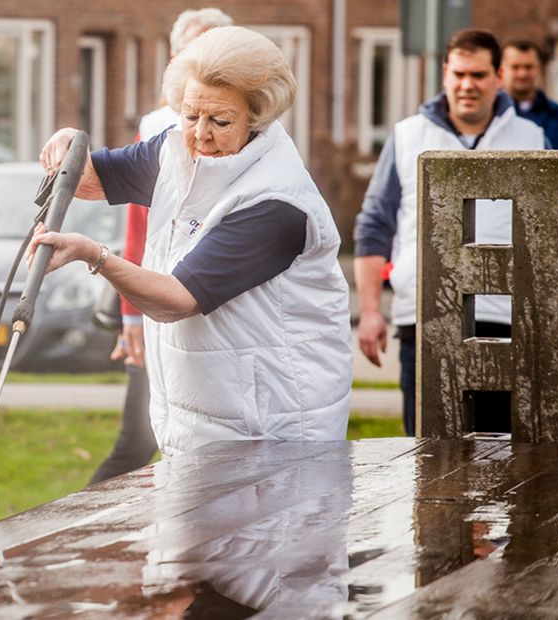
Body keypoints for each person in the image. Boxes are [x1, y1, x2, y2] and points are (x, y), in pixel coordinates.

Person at [36, 26, 352, 455]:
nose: (201, 134)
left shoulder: (276, 204)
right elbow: (92, 178)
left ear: (257, 118)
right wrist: (69, 144)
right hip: (203, 420)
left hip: (270, 428)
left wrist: (95, 255)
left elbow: (177, 301)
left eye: (220, 121)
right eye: (189, 115)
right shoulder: (176, 154)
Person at [354, 30, 546, 437]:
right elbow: (374, 224)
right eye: (459, 73)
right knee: (427, 455)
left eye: (478, 74)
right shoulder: (408, 136)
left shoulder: (530, 138)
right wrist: (371, 311)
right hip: (424, 317)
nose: (467, 85)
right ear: (445, 73)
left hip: (506, 317)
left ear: (497, 76)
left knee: (505, 456)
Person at [90, 7, 233, 484]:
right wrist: (131, 313)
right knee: (139, 440)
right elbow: (137, 225)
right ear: (175, 59)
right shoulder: (157, 127)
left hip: (221, 293)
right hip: (160, 292)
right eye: (194, 52)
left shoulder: (249, 125)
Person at [501, 39, 558, 150]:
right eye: (515, 67)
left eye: (528, 67)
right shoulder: (488, 117)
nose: (522, 74)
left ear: (539, 68)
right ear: (501, 70)